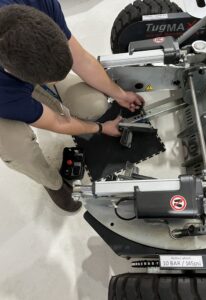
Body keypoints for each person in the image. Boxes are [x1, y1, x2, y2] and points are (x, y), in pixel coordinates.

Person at [0, 0, 144, 213]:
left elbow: (82, 60)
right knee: (18, 148)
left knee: (92, 105)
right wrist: (101, 128)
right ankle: (53, 184)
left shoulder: (39, 2)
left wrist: (119, 94)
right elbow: (56, 122)